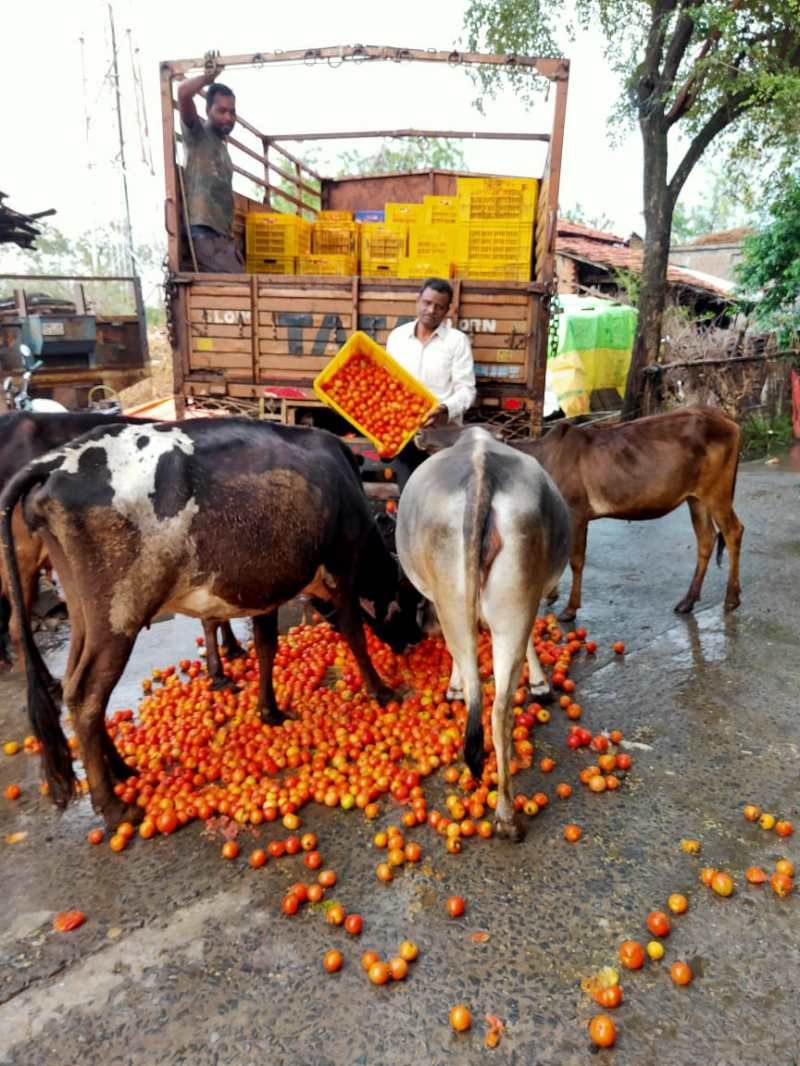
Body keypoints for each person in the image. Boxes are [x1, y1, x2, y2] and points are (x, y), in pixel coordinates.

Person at [386, 277, 476, 489]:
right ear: (418, 301)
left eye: (439, 306)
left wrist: (444, 408)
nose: (431, 310)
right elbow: (388, 383)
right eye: (427, 303)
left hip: (441, 438)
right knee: (408, 494)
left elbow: (466, 390)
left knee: (442, 495)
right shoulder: (397, 338)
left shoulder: (456, 341)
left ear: (447, 311)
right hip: (405, 435)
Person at [177, 62, 243, 273]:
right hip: (204, 233)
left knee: (246, 283)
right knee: (243, 287)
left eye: (232, 112)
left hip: (221, 237)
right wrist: (207, 77)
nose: (228, 117)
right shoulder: (197, 134)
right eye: (221, 111)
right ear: (207, 110)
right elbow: (182, 93)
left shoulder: (222, 147)